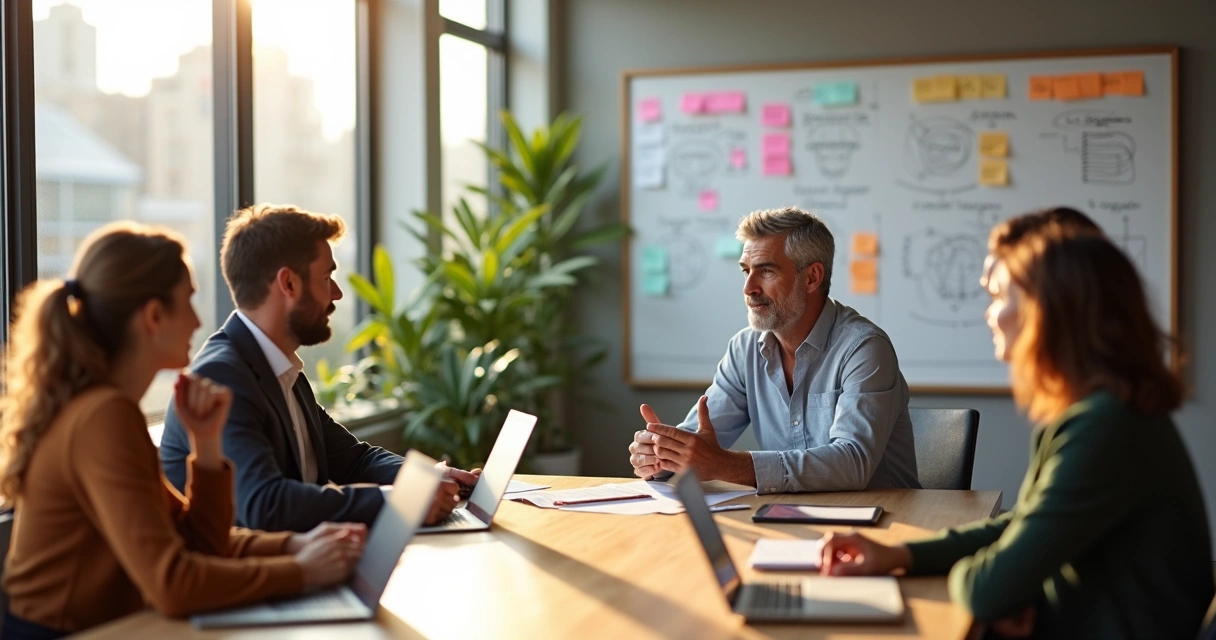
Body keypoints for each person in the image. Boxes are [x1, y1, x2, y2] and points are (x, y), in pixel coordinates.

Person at [819, 218, 1214, 639]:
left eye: (1000, 296)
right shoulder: (1104, 414)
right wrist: (898, 555)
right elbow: (1019, 526)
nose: (989, 313)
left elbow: (986, 591)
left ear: (1047, 310)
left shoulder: (1103, 428)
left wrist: (1008, 593)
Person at [0, 223, 365, 639]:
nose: (197, 320)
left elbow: (195, 543)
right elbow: (172, 585)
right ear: (154, 316)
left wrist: (209, 450)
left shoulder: (110, 412)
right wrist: (300, 570)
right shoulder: (102, 418)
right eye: (189, 301)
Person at [159, 204, 478, 533]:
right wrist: (400, 501)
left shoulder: (280, 368)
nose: (337, 293)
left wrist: (428, 479)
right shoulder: (222, 376)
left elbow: (354, 461)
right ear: (289, 284)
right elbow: (265, 505)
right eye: (327, 277)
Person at [628, 207, 920, 493]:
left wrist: (725, 465)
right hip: (792, 519)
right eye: (745, 271)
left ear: (812, 278)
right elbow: (698, 446)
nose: (748, 288)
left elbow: (852, 462)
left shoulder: (865, 348)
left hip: (886, 525)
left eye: (766, 271)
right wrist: (660, 454)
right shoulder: (745, 350)